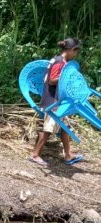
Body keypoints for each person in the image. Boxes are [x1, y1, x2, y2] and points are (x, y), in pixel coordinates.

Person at [28, 38, 84, 167]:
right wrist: (66, 78)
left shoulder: (59, 60)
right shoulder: (59, 62)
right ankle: (35, 155)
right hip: (52, 100)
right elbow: (52, 80)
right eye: (76, 52)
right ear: (71, 50)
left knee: (64, 126)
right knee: (48, 128)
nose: (75, 55)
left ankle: (68, 155)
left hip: (57, 99)